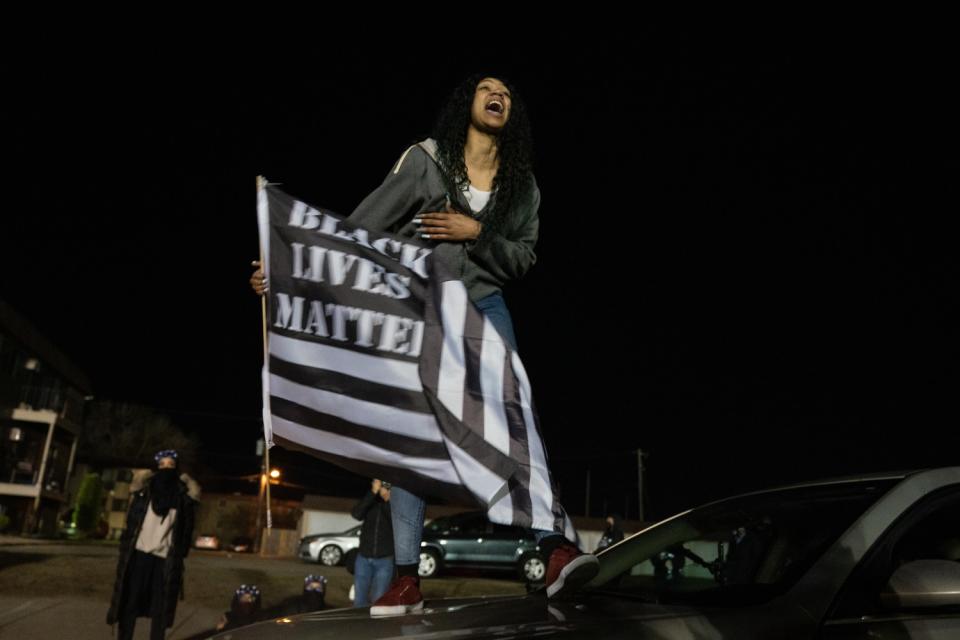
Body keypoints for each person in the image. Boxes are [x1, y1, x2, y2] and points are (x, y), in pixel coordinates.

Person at [251, 74, 597, 615]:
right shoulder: (426, 160)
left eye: (506, 90)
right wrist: (290, 269)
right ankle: (407, 578)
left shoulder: (522, 184)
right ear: (469, 103)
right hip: (418, 303)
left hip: (483, 304)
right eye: (486, 87)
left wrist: (474, 231)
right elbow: (359, 229)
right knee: (407, 427)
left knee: (509, 412)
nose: (497, 93)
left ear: (514, 113)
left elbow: (524, 258)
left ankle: (554, 549)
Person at [106, 450, 200, 640]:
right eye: (162, 465)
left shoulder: (182, 500)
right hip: (139, 555)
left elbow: (187, 528)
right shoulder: (145, 494)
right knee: (130, 603)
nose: (166, 469)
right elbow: (131, 521)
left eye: (171, 465)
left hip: (164, 559)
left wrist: (181, 553)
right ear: (156, 468)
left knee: (160, 608)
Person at [350, 478, 395, 607]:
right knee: (359, 600)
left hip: (385, 559)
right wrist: (372, 492)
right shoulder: (370, 501)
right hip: (363, 557)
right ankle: (359, 625)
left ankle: (376, 626)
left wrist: (388, 500)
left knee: (379, 600)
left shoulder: (393, 504)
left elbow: (397, 522)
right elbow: (356, 514)